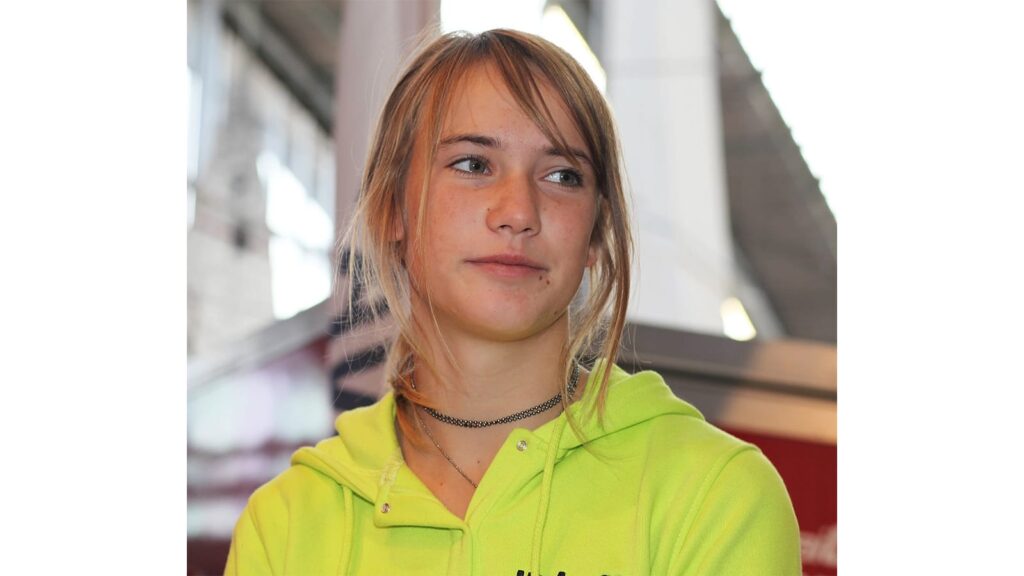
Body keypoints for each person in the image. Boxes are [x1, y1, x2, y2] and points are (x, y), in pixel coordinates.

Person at [225, 28, 801, 575]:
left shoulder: (713, 492)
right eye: (473, 164)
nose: (519, 213)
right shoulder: (288, 524)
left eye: (562, 176)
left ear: (598, 234)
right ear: (390, 211)